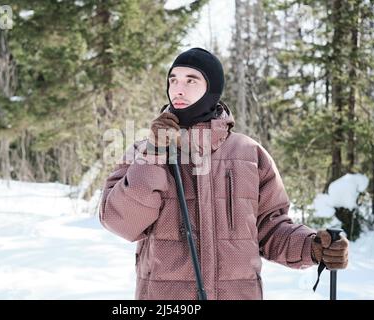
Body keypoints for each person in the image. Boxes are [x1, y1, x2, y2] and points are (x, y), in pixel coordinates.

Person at [99, 47, 349, 300]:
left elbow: (270, 228)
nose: (178, 89)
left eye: (190, 80)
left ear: (212, 88)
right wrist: (154, 154)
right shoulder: (143, 151)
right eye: (173, 80)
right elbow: (121, 221)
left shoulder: (250, 154)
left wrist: (312, 247)